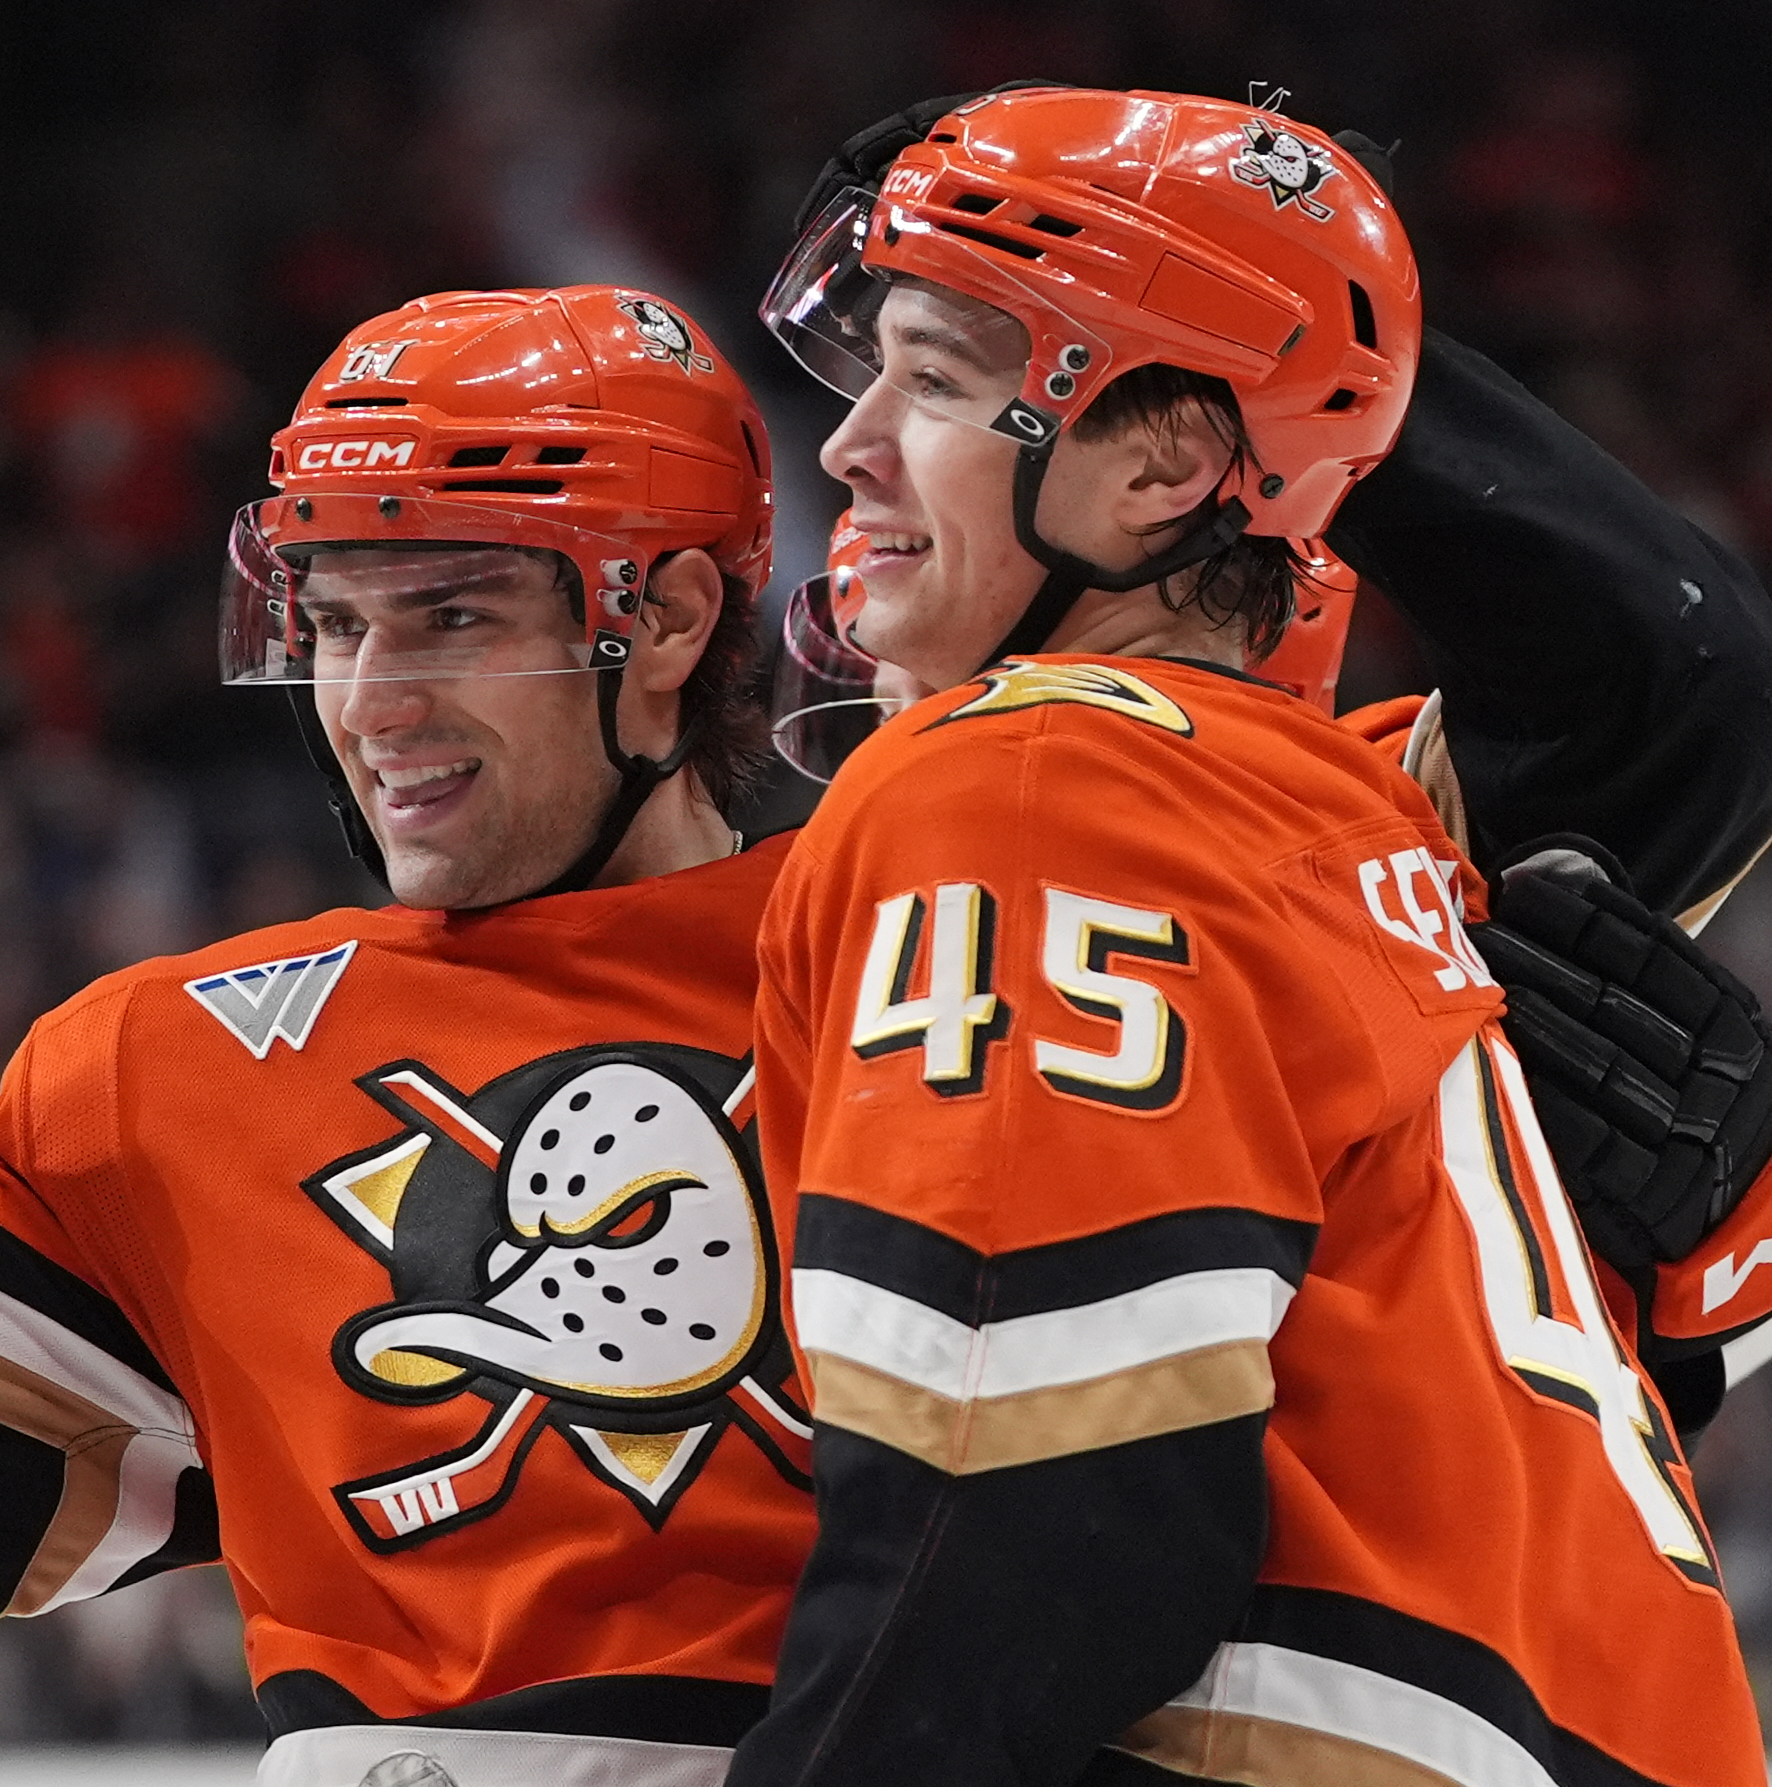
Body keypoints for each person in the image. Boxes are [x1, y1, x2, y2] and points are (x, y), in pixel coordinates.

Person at [0, 265, 1772, 1787]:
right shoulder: (184, 1066)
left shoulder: (1028, 864)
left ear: (672, 617)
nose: (367, 702)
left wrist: (1240, 280)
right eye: (328, 621)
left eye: (449, 613)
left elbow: (1665, 694)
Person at [728, 85, 1764, 1786]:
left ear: (1158, 469)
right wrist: (1271, 331)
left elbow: (1033, 1503)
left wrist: (1256, 296)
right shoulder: (1335, 823)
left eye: (935, 377)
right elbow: (1680, 675)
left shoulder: (1033, 777)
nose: (844, 446)